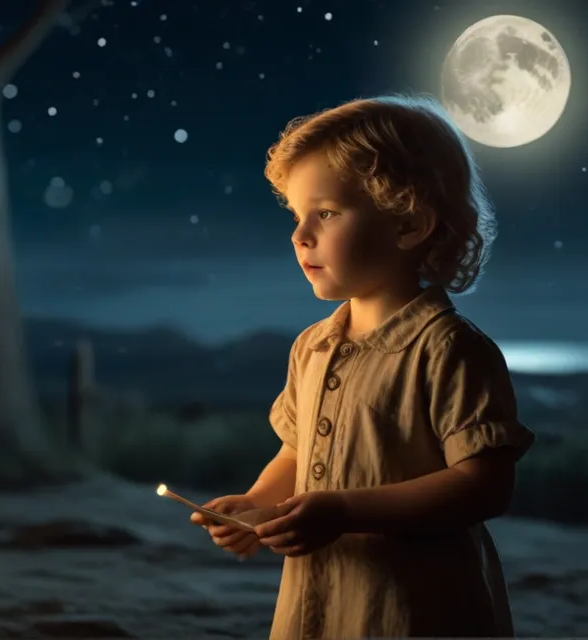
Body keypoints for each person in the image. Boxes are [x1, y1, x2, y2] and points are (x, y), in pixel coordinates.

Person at [189, 94, 536, 639]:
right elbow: (299, 449)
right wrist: (258, 505)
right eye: (297, 215)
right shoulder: (312, 347)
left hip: (414, 608)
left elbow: (484, 485)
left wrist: (345, 511)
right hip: (320, 603)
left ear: (409, 223)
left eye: (325, 213)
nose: (299, 235)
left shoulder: (447, 349)